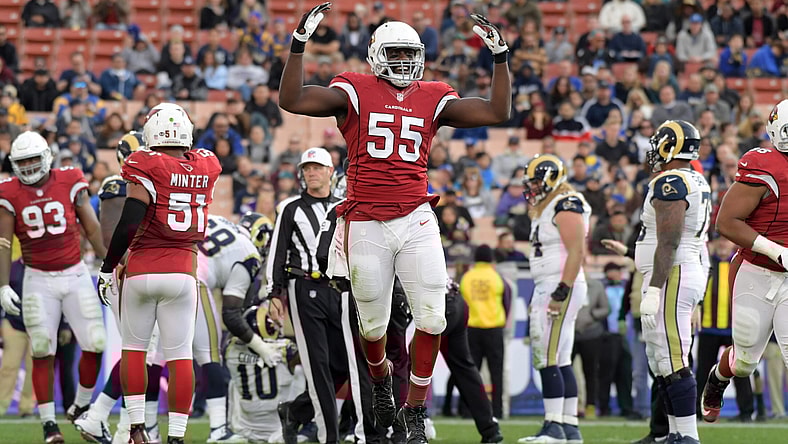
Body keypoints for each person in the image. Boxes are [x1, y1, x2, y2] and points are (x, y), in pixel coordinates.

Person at [278, 4, 511, 442]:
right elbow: (292, 100)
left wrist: (500, 58)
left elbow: (496, 112)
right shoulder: (355, 89)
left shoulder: (433, 95)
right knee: (373, 327)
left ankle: (415, 410)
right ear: (376, 55)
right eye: (395, 53)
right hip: (366, 220)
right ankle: (381, 381)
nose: (403, 61)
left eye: (410, 54)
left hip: (415, 216)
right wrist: (298, 45)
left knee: (434, 318)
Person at [95, 102, 222, 444]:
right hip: (183, 272)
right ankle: (176, 436)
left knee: (134, 351)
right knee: (180, 358)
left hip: (142, 269)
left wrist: (108, 266)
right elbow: (190, 163)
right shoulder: (207, 163)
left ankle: (136, 427)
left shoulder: (143, 162)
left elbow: (129, 222)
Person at [267, 147, 382, 444]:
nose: (311, 173)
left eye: (317, 168)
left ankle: (296, 412)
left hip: (339, 289)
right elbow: (277, 252)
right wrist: (274, 293)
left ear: (331, 172)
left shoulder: (343, 207)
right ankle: (328, 436)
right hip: (304, 287)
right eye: (307, 169)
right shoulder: (290, 208)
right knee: (317, 365)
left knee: (345, 363)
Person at [0, 131, 107, 443]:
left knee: (96, 343)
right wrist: (2, 284)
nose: (29, 166)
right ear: (14, 164)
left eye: (33, 159)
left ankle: (81, 405)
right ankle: (49, 424)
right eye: (23, 161)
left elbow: (91, 227)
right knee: (42, 349)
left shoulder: (70, 179)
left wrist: (110, 264)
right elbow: (3, 242)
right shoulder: (8, 191)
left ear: (47, 156)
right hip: (37, 278)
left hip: (75, 273)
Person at [75, 131, 166, 444]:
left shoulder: (150, 184)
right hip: (128, 274)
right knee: (140, 353)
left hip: (142, 273)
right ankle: (116, 425)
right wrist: (130, 263)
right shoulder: (117, 184)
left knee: (140, 353)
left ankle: (107, 422)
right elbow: (108, 236)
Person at [701, 99, 788, 424]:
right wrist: (775, 250)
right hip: (757, 270)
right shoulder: (764, 164)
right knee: (745, 363)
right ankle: (717, 378)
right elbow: (726, 222)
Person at [635, 120, 709, 444]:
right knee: (661, 360)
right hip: (678, 271)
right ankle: (675, 433)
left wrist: (654, 288)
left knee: (673, 359)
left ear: (669, 145)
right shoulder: (692, 177)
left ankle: (688, 435)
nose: (653, 150)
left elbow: (669, 241)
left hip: (673, 274)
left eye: (657, 143)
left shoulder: (671, 181)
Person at [516, 154, 590, 444]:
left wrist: (561, 291)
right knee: (560, 357)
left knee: (546, 356)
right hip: (554, 282)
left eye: (535, 182)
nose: (531, 187)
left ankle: (553, 426)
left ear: (550, 179)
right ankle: (569, 426)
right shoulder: (550, 205)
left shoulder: (565, 203)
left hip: (557, 284)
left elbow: (576, 252)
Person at [225, 303, 297, 444]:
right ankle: (310, 425)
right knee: (302, 373)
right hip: (279, 430)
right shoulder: (286, 350)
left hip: (243, 429)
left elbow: (235, 333)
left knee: (233, 382)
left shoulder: (232, 350)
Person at [459, 244, 511, 419]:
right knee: (497, 373)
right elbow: (506, 302)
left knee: (471, 372)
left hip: (471, 329)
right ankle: (497, 410)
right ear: (491, 259)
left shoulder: (467, 277)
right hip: (494, 329)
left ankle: (467, 410)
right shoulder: (498, 278)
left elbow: (460, 303)